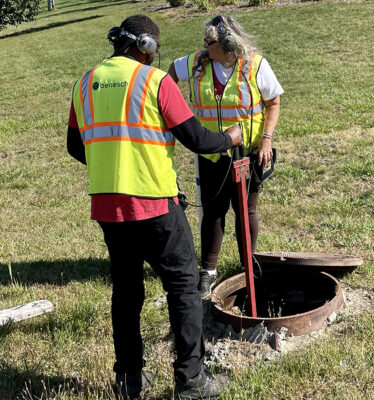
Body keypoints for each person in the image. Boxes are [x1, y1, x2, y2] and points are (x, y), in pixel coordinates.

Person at [67, 15, 242, 400]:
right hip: (155, 206)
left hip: (108, 211)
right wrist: (229, 138)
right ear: (144, 46)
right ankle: (191, 380)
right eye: (154, 50)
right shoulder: (155, 81)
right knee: (183, 289)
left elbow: (75, 146)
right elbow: (196, 138)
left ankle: (130, 379)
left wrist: (111, 162)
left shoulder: (84, 84)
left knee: (127, 293)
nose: (155, 57)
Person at [168, 15, 284, 298]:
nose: (205, 47)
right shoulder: (197, 62)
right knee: (213, 212)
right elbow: (169, 74)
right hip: (211, 154)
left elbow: (274, 101)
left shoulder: (256, 65)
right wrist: (171, 106)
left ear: (229, 43)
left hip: (247, 155)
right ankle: (208, 270)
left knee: (246, 210)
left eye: (210, 42)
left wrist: (266, 139)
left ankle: (248, 266)